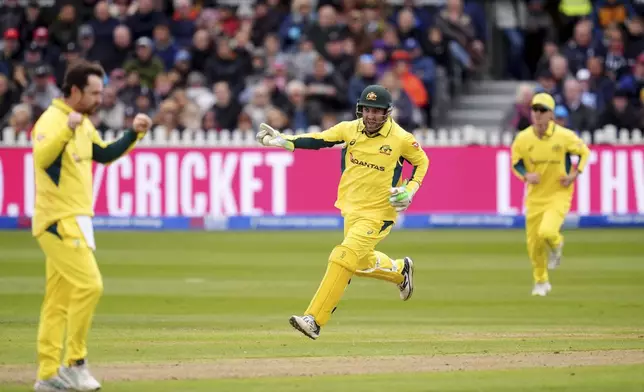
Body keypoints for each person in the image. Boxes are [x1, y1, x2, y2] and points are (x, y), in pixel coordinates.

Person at [255, 85, 430, 339]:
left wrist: (411, 190)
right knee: (358, 263)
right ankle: (400, 270)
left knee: (342, 256)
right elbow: (319, 139)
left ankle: (314, 319)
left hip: (379, 212)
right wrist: (285, 141)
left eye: (377, 111)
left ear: (387, 113)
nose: (370, 116)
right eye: (367, 110)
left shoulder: (401, 138)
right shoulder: (350, 129)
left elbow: (422, 161)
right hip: (351, 209)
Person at [31, 59, 152, 391]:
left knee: (57, 301)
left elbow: (104, 153)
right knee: (89, 286)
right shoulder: (52, 120)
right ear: (74, 91)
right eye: (94, 93)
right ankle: (75, 363)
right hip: (58, 220)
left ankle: (47, 375)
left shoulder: (82, 123)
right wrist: (65, 129)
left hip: (77, 219)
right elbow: (41, 158)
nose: (100, 99)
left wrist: (134, 134)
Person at [510, 93, 590, 297]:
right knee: (534, 244)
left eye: (542, 110)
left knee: (547, 232)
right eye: (535, 109)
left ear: (551, 114)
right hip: (535, 196)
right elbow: (516, 163)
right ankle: (541, 282)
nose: (537, 114)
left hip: (558, 193)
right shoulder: (523, 138)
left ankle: (557, 244)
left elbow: (584, 153)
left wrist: (574, 175)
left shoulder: (564, 136)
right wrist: (526, 175)